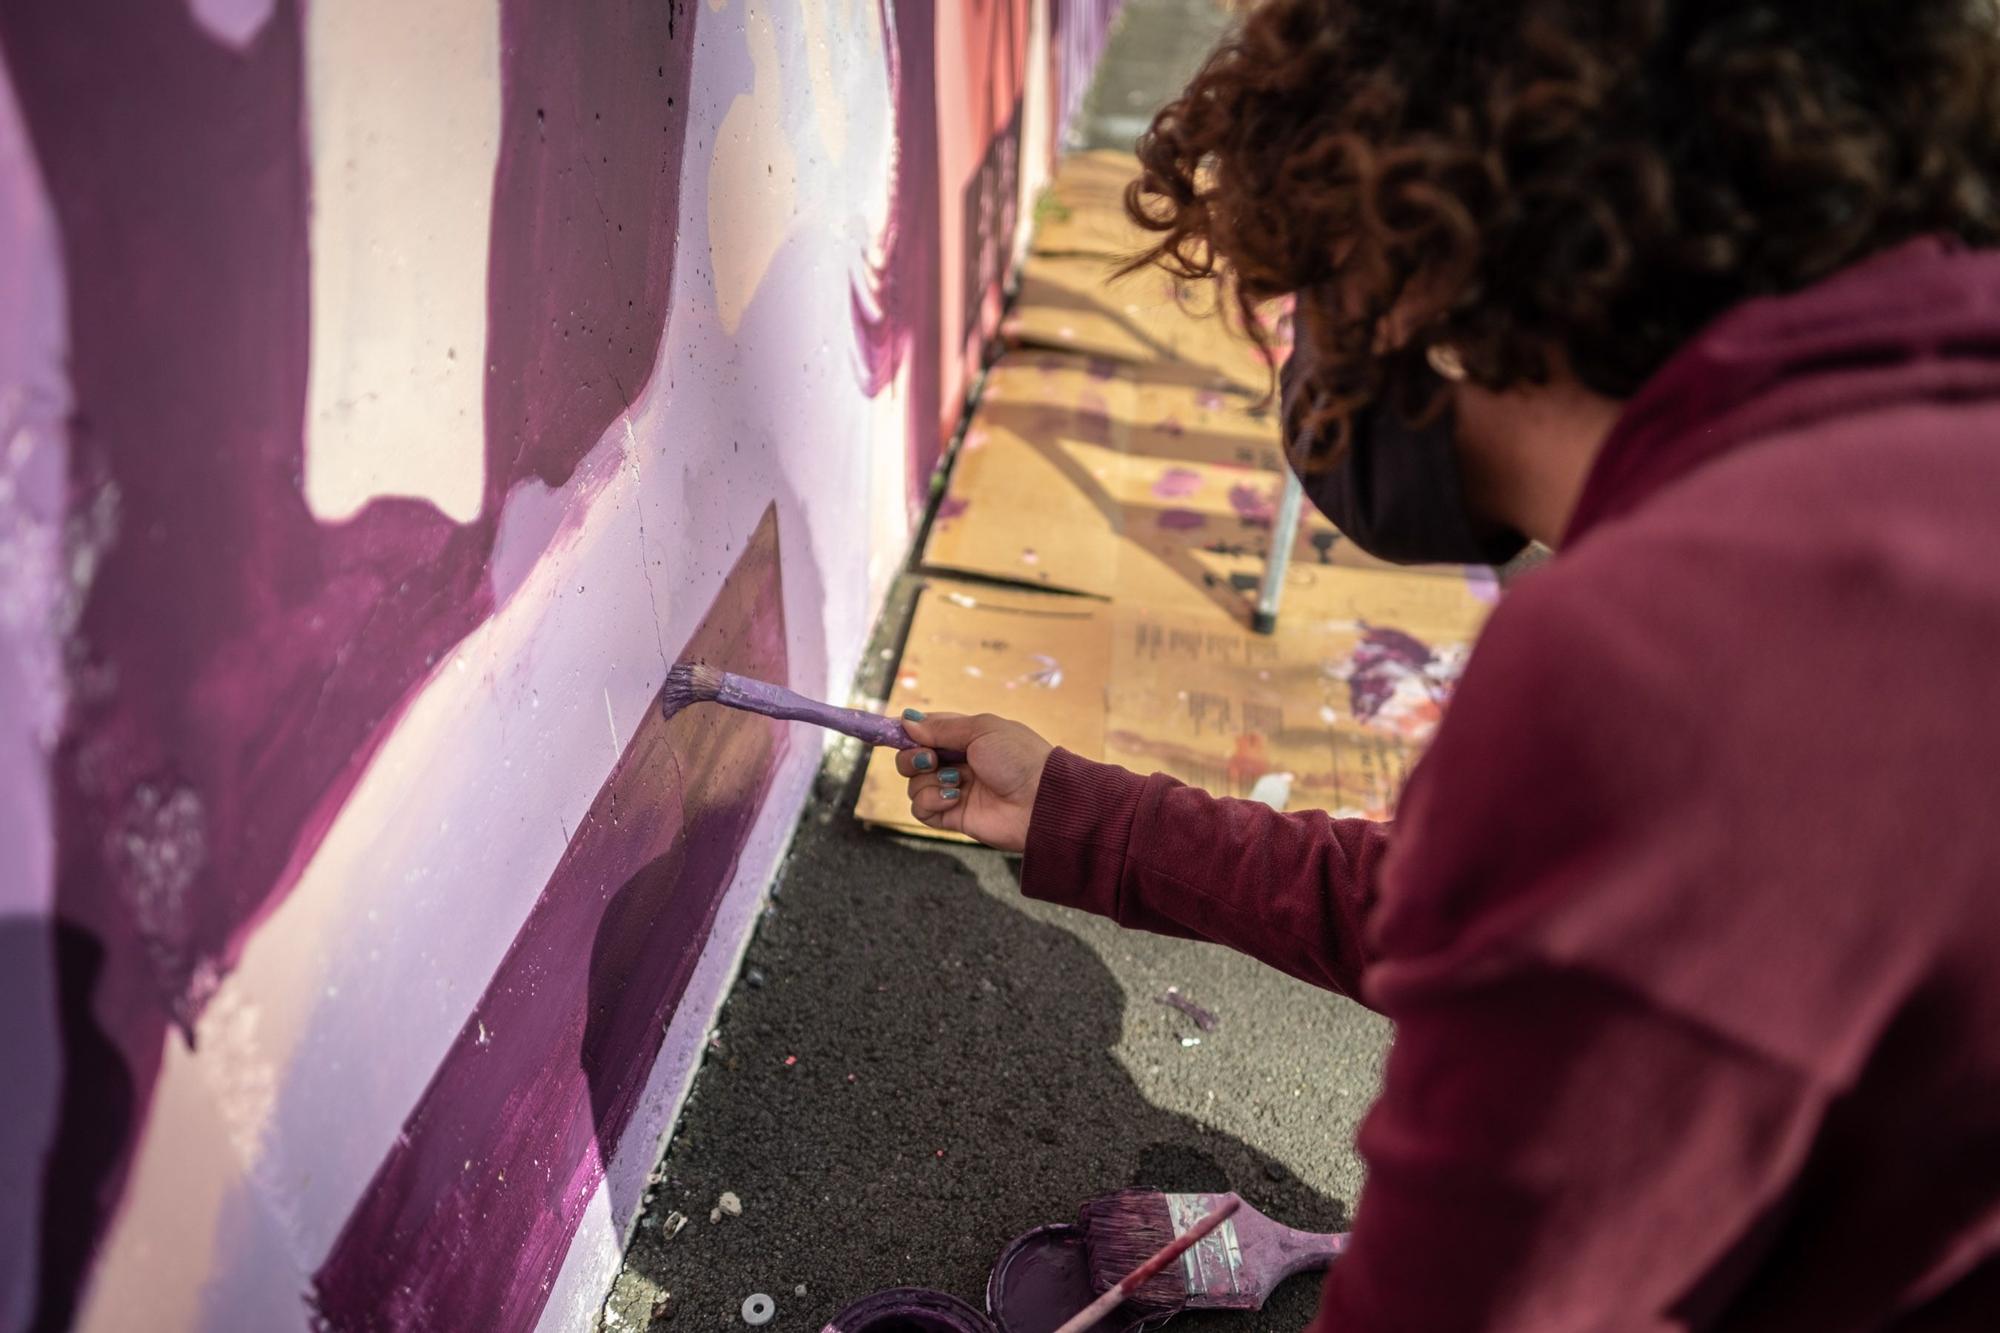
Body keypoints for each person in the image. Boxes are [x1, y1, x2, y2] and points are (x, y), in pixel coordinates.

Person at [898, 1, 2000, 1328]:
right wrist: (1100, 820)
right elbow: (1544, 921)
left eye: (1300, 296)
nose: (1299, 353)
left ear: (1413, 258)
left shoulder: (1665, 663)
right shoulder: (1902, 478)